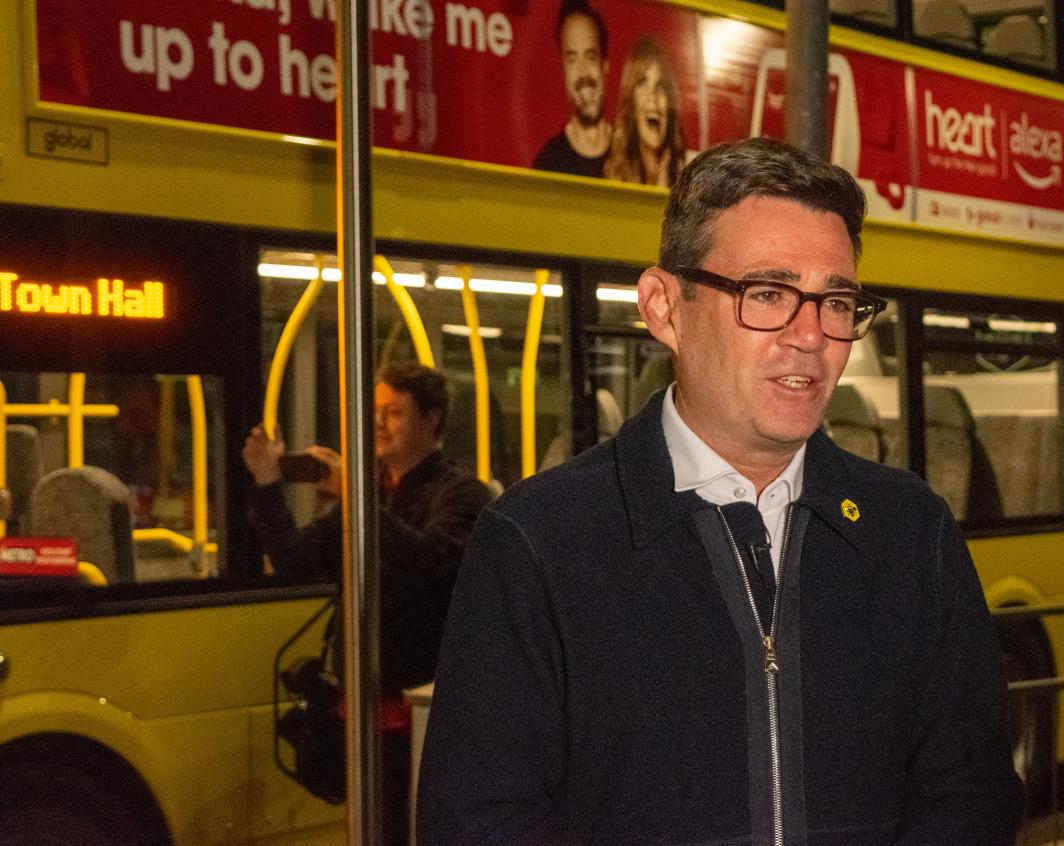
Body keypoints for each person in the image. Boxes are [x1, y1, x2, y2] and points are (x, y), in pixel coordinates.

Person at [419, 137, 1024, 843]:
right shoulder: (538, 542)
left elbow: (972, 791)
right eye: (767, 294)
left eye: (836, 301)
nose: (811, 336)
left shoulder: (913, 532)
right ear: (665, 308)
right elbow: (478, 820)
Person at [242, 361, 491, 846]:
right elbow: (294, 560)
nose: (377, 422)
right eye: (374, 411)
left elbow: (430, 563)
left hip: (417, 711)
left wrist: (356, 497)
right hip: (357, 704)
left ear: (432, 421)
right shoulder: (369, 492)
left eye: (394, 412)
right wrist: (268, 486)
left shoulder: (460, 494)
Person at [532, 0, 612, 179]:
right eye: (572, 59)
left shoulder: (630, 155)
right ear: (563, 70)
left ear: (605, 66)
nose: (583, 72)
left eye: (590, 56)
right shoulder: (548, 163)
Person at [603, 36, 685, 187]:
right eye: (643, 84)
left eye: (660, 85)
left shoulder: (686, 180)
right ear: (631, 102)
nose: (653, 96)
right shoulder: (613, 176)